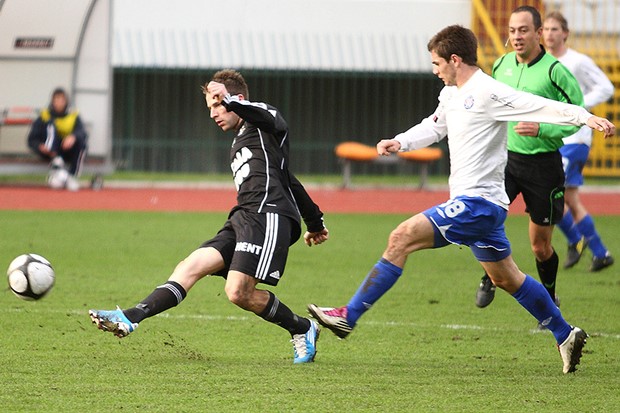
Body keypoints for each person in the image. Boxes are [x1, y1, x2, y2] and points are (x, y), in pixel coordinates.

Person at [308, 25, 615, 374]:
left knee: (400, 237)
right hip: (478, 206)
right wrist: (400, 141)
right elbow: (436, 124)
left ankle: (349, 315)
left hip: (479, 205)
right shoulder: (451, 93)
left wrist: (584, 117)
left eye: (437, 63)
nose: (434, 70)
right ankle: (565, 333)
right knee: (506, 278)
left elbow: (540, 106)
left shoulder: (488, 92)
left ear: (455, 60)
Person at [89, 69, 330, 364]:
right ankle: (131, 316)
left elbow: (266, 120)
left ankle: (302, 328)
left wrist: (227, 98)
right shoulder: (239, 143)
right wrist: (315, 222)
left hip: (268, 215)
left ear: (236, 98)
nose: (214, 113)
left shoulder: (265, 121)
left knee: (238, 292)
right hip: (242, 218)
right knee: (191, 265)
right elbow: (289, 180)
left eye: (217, 104)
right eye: (211, 106)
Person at [474, 6, 585, 312]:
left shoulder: (555, 71)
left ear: (538, 34)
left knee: (540, 246)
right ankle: (488, 275)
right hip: (505, 162)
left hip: (543, 166)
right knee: (483, 219)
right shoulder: (500, 66)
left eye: (523, 30)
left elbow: (577, 116)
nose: (517, 36)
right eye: (512, 31)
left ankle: (549, 301)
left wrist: (542, 128)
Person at [543, 11, 615, 272]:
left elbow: (606, 87)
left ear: (565, 33)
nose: (549, 34)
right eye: (546, 29)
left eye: (554, 29)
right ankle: (600, 252)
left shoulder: (577, 61)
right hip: (553, 137)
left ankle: (576, 241)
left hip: (575, 138)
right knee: (570, 200)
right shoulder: (541, 62)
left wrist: (579, 107)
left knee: (548, 193)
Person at [27, 87, 88, 191]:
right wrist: (39, 146)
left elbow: (82, 132)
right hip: (50, 151)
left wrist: (73, 137)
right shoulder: (45, 116)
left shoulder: (73, 115)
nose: (59, 103)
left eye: (62, 100)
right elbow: (31, 139)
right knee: (51, 126)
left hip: (68, 149)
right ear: (52, 101)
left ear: (66, 102)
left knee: (82, 142)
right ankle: (57, 163)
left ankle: (69, 175)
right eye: (56, 100)